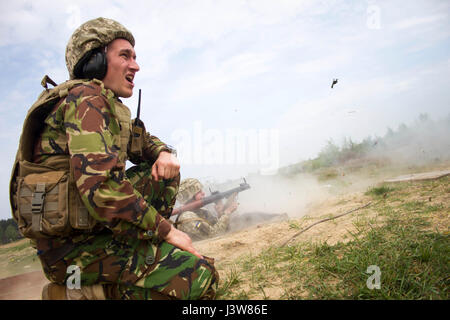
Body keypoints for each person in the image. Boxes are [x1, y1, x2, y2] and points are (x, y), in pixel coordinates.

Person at [11, 17, 218, 300]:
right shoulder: (85, 101)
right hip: (70, 255)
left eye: (135, 56)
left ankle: (125, 263)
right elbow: (103, 190)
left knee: (163, 172)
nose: (136, 65)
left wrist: (163, 153)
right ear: (94, 61)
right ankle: (72, 293)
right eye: (125, 55)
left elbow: (145, 142)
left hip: (95, 235)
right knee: (199, 278)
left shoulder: (106, 105)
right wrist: (167, 232)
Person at [174, 179, 238, 241]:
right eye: (199, 192)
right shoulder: (187, 217)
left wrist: (221, 213)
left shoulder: (202, 211)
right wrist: (227, 213)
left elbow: (223, 230)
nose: (203, 193)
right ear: (190, 196)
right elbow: (213, 235)